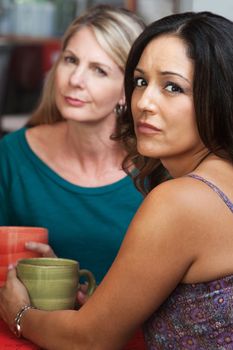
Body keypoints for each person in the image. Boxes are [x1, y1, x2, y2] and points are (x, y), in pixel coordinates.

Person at [1, 10, 233, 350]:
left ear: (218, 96)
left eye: (173, 87)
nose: (145, 103)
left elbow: (91, 339)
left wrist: (19, 312)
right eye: (140, 82)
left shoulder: (180, 200)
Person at [0, 5, 145, 286]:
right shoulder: (12, 155)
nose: (75, 80)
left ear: (126, 92)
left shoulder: (158, 171)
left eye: (99, 71)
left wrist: (73, 288)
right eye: (70, 60)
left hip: (126, 330)